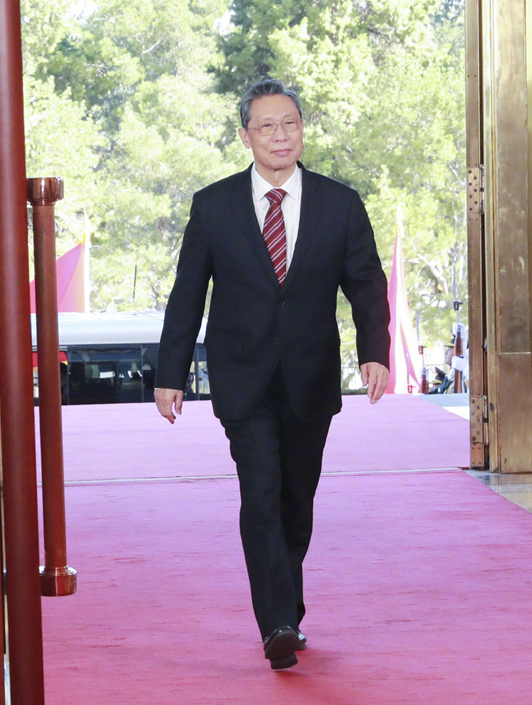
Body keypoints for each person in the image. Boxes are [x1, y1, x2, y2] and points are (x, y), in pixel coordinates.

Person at [153, 79, 391, 670]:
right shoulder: (214, 205)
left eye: (290, 123)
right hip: (243, 378)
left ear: (302, 129)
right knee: (260, 494)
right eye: (267, 125)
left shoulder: (340, 203)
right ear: (246, 136)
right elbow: (188, 294)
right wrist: (170, 373)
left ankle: (289, 610)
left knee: (294, 502)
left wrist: (375, 351)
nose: (280, 135)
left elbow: (366, 284)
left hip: (311, 375)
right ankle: (277, 624)